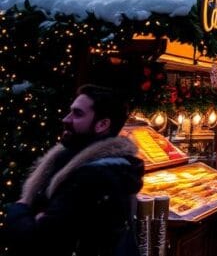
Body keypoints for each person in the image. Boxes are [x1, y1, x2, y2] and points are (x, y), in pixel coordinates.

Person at [4, 84, 144, 256]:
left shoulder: (92, 178)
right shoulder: (103, 166)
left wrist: (19, 210)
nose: (66, 119)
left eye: (77, 114)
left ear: (102, 124)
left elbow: (40, 242)